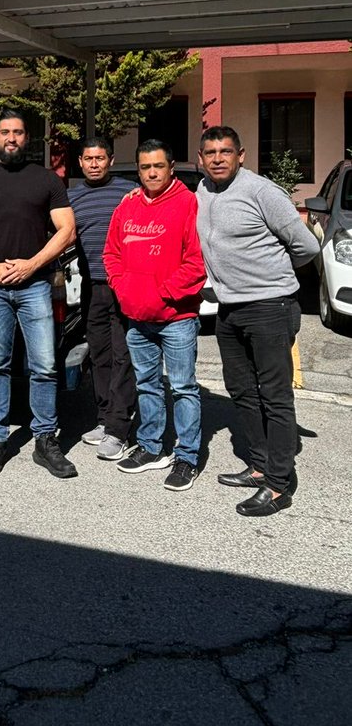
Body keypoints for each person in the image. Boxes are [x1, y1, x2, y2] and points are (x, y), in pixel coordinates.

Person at [196, 125, 319, 518]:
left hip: (270, 307)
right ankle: (260, 465)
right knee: (242, 391)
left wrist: (272, 277)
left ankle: (279, 485)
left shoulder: (262, 191)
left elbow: (307, 246)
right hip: (229, 309)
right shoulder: (201, 191)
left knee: (275, 396)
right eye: (211, 152)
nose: (218, 158)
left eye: (226, 151)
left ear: (241, 155)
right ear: (201, 159)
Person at [0, 110, 77, 479]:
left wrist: (31, 264)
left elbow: (66, 229)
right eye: (5, 132)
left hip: (35, 286)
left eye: (19, 132)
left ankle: (44, 441)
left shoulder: (46, 179)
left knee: (44, 366)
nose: (12, 138)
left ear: (28, 138)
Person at [103, 140, 206, 491]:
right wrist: (124, 287)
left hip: (176, 319)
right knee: (147, 385)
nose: (151, 173)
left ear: (171, 166)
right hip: (137, 318)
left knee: (182, 388)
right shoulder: (128, 206)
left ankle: (187, 458)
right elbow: (111, 253)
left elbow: (197, 261)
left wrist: (162, 292)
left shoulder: (187, 203)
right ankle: (150, 447)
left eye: (158, 166)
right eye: (145, 167)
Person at [69, 137, 136, 461]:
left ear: (110, 159)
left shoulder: (129, 193)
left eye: (99, 158)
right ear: (80, 162)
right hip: (92, 287)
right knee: (99, 356)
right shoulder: (72, 197)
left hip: (126, 286)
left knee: (123, 356)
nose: (94, 164)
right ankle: (104, 418)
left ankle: (118, 428)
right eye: (88, 159)